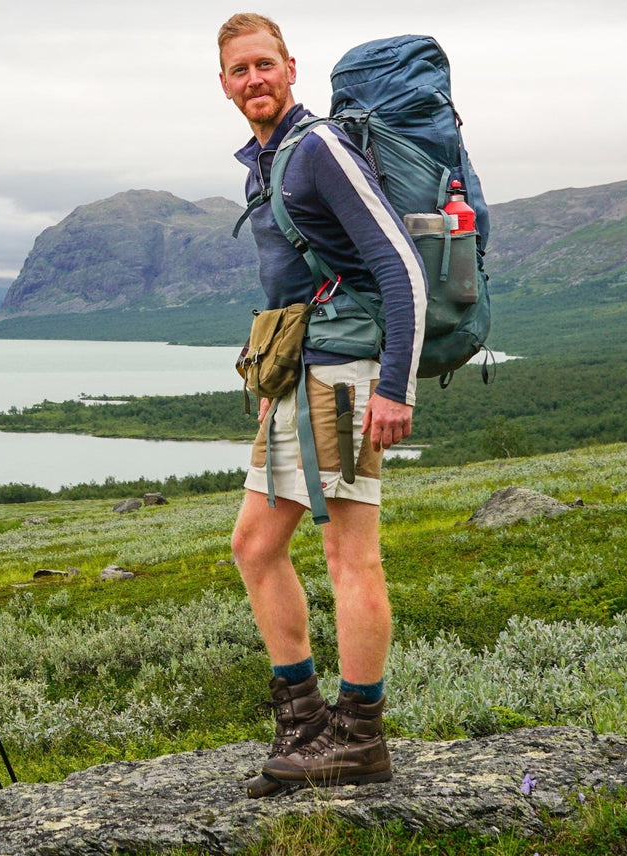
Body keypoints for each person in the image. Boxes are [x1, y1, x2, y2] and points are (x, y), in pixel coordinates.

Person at [216, 12, 426, 795]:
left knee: (348, 553)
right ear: (225, 83)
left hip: (344, 381)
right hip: (299, 381)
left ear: (290, 67)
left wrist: (394, 386)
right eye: (240, 70)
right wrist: (276, 388)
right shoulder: (264, 161)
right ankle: (303, 725)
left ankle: (359, 737)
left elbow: (400, 265)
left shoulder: (320, 149)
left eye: (265, 64)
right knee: (254, 546)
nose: (254, 80)